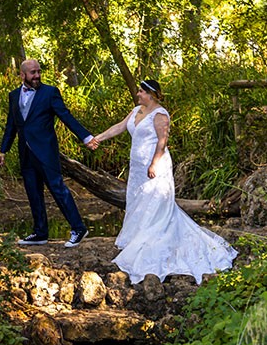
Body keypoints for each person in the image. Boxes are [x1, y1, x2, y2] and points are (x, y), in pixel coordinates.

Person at [91, 79, 237, 284]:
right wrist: (98, 138)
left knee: (156, 206)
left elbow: (162, 142)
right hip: (137, 169)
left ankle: (153, 244)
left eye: (141, 92)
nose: (138, 94)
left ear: (151, 94)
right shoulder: (136, 111)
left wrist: (154, 164)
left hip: (154, 166)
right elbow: (119, 127)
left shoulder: (160, 115)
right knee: (138, 203)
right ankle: (137, 239)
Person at [0, 59, 98, 248]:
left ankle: (78, 228)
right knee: (33, 192)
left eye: (38, 71)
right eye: (32, 73)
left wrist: (85, 137)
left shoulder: (50, 92)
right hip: (25, 152)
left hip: (46, 151)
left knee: (58, 189)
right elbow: (11, 125)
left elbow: (66, 116)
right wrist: (3, 149)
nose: (36, 76)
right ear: (22, 75)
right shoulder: (13, 96)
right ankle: (40, 232)